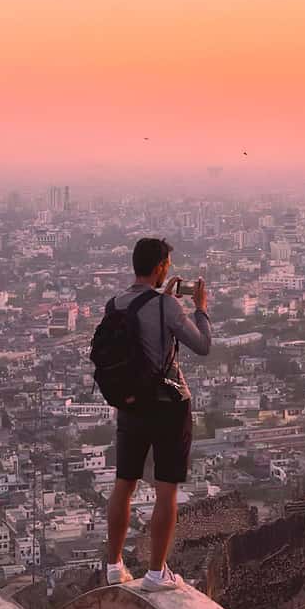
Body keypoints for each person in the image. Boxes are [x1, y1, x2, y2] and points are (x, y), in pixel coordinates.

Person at [105, 237, 211, 591]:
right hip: (168, 404)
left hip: (129, 403)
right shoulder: (167, 306)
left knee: (124, 483)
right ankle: (155, 573)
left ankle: (114, 565)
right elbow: (202, 345)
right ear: (162, 267)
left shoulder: (115, 303)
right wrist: (200, 308)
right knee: (166, 490)